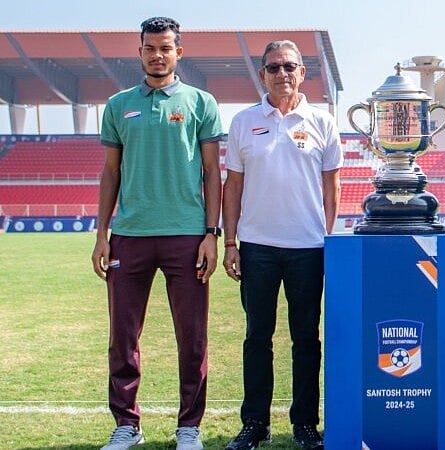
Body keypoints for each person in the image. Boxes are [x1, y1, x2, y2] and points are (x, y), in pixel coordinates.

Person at [90, 16, 224, 450]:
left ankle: (190, 426)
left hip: (186, 235)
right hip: (129, 236)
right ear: (140, 51)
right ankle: (127, 424)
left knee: (193, 336)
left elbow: (211, 172)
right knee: (122, 337)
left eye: (166, 47)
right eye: (150, 48)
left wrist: (211, 234)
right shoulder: (117, 105)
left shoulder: (202, 102)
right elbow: (110, 174)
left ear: (178, 52)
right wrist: (101, 234)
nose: (157, 55)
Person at [221, 39, 343, 450]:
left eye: (289, 66)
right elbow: (232, 185)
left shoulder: (323, 121)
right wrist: (231, 243)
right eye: (273, 67)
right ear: (263, 75)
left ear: (302, 72)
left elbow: (332, 187)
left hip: (308, 248)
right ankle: (254, 423)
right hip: (256, 247)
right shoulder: (243, 122)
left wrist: (326, 237)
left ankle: (305, 424)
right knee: (258, 337)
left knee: (306, 338)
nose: (282, 73)